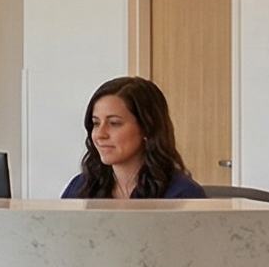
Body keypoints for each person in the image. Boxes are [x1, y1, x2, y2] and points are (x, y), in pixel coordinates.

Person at [62, 75, 208, 199]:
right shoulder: (80, 187)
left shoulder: (182, 193)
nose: (100, 134)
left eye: (114, 123)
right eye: (95, 123)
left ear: (146, 127)